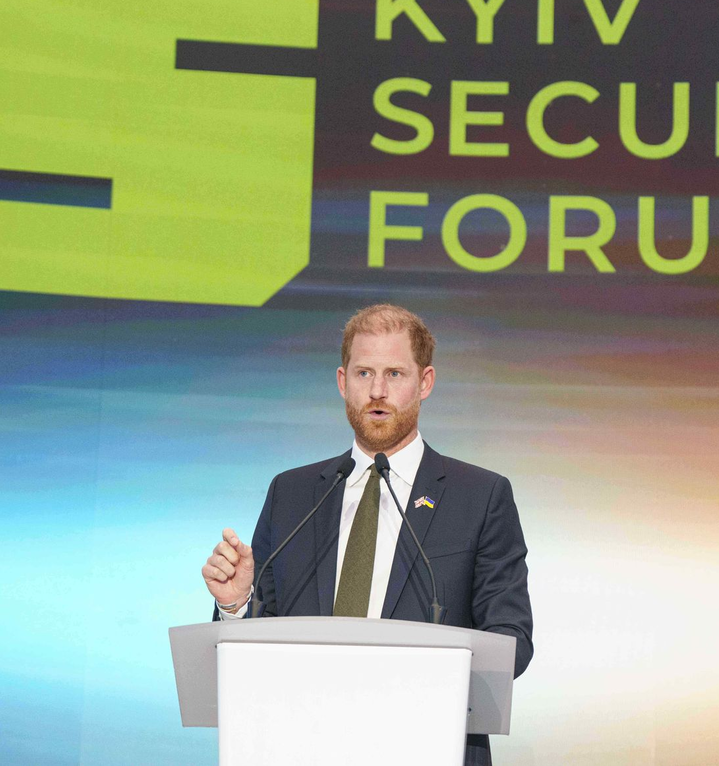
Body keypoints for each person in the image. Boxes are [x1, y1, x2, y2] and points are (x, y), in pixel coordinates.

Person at [201, 304, 533, 766]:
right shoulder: (292, 494)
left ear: (425, 382)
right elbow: (261, 640)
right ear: (343, 382)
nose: (377, 391)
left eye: (394, 373)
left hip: (426, 745)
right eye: (364, 373)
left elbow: (511, 640)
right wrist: (236, 604)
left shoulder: (479, 496)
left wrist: (430, 677)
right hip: (300, 744)